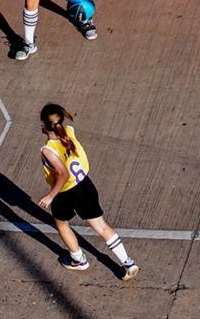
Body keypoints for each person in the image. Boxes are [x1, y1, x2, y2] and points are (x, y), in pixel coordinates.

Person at [36, 105, 139, 280]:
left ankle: (78, 260)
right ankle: (127, 262)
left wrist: (50, 196)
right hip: (85, 185)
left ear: (44, 124)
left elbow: (63, 174)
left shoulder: (48, 150)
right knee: (101, 225)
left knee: (61, 224)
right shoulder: (69, 131)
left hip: (66, 192)